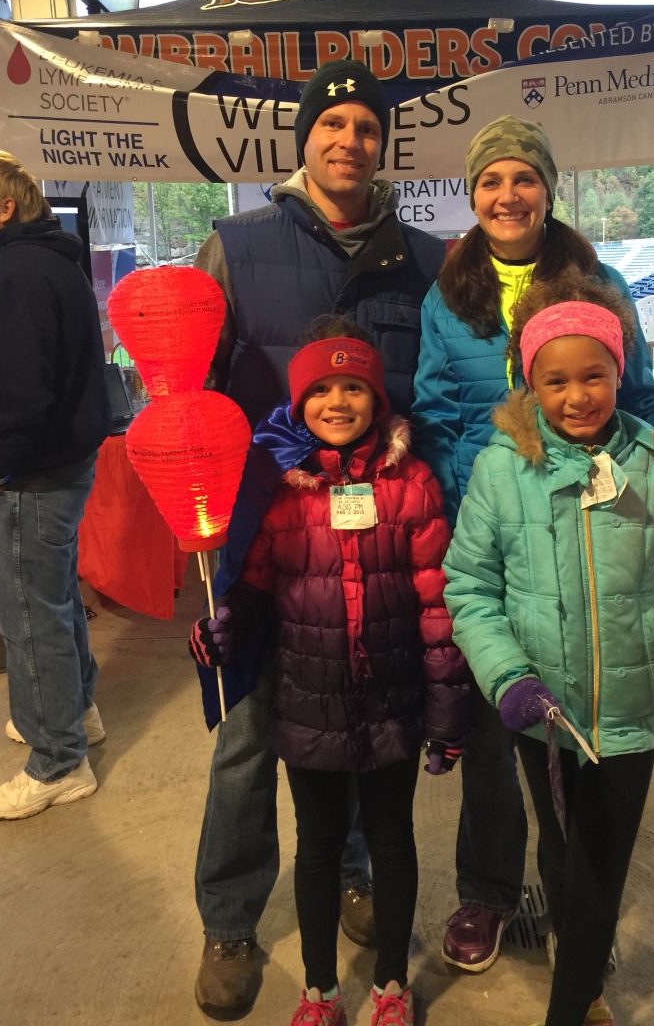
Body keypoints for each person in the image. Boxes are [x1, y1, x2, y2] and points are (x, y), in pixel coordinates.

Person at [192, 60, 445, 1019]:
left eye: (367, 127)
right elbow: (198, 399)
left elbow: (433, 389)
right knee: (251, 731)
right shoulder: (237, 245)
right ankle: (228, 914)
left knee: (358, 715)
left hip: (376, 537)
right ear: (304, 140)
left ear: (384, 146)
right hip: (268, 536)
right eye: (332, 124)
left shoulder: (424, 261)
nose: (350, 140)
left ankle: (349, 874)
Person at [442, 277, 654, 1026]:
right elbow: (469, 586)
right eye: (556, 380)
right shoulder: (500, 470)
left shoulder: (651, 463)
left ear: (619, 372)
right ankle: (584, 971)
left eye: (594, 376)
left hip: (630, 709)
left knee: (602, 862)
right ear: (529, 382)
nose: (577, 395)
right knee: (561, 843)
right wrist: (505, 674)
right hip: (541, 709)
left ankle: (571, 1004)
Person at [411, 115, 654, 971]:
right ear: (472, 194)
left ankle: (577, 911)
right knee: (496, 727)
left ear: (548, 189)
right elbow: (437, 408)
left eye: (523, 179)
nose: (506, 195)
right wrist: (478, 500)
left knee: (585, 727)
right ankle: (485, 891)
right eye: (490, 181)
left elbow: (641, 401)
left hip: (592, 525)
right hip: (499, 523)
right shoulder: (449, 293)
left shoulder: (601, 281)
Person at [190, 321, 470, 1026]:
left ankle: (391, 987)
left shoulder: (411, 486)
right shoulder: (284, 491)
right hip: (307, 705)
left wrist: (446, 711)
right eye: (320, 389)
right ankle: (319, 990)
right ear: (298, 401)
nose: (338, 402)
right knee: (315, 847)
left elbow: (438, 604)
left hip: (392, 700)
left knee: (391, 840)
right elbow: (255, 586)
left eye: (354, 387)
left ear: (377, 399)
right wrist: (225, 628)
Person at [0, 149, 110, 820]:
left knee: (28, 613)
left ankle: (58, 760)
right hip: (58, 464)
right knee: (52, 601)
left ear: (4, 206)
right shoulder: (45, 259)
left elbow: (17, 391)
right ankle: (73, 710)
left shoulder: (17, 270)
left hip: (29, 471)